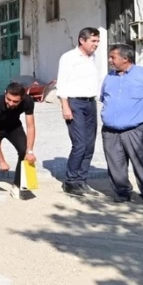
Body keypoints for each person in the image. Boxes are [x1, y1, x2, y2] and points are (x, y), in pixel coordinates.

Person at [100, 44, 143, 206]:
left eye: (112, 57)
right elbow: (104, 98)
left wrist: (139, 114)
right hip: (110, 130)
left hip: (138, 129)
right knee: (115, 163)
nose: (109, 60)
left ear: (125, 58)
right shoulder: (109, 77)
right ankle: (122, 193)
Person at [55, 27, 101, 197]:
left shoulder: (93, 57)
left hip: (90, 103)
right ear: (82, 40)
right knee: (79, 143)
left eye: (97, 41)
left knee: (90, 144)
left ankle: (81, 181)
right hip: (74, 103)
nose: (96, 44)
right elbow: (62, 83)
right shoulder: (69, 58)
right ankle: (70, 181)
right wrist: (64, 105)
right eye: (93, 41)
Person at [0, 82, 37, 199]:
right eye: (9, 99)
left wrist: (30, 151)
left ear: (22, 99)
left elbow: (31, 126)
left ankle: (17, 186)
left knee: (24, 152)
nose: (11, 103)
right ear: (5, 94)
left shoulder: (28, 101)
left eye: (15, 101)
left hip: (13, 126)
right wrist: (2, 161)